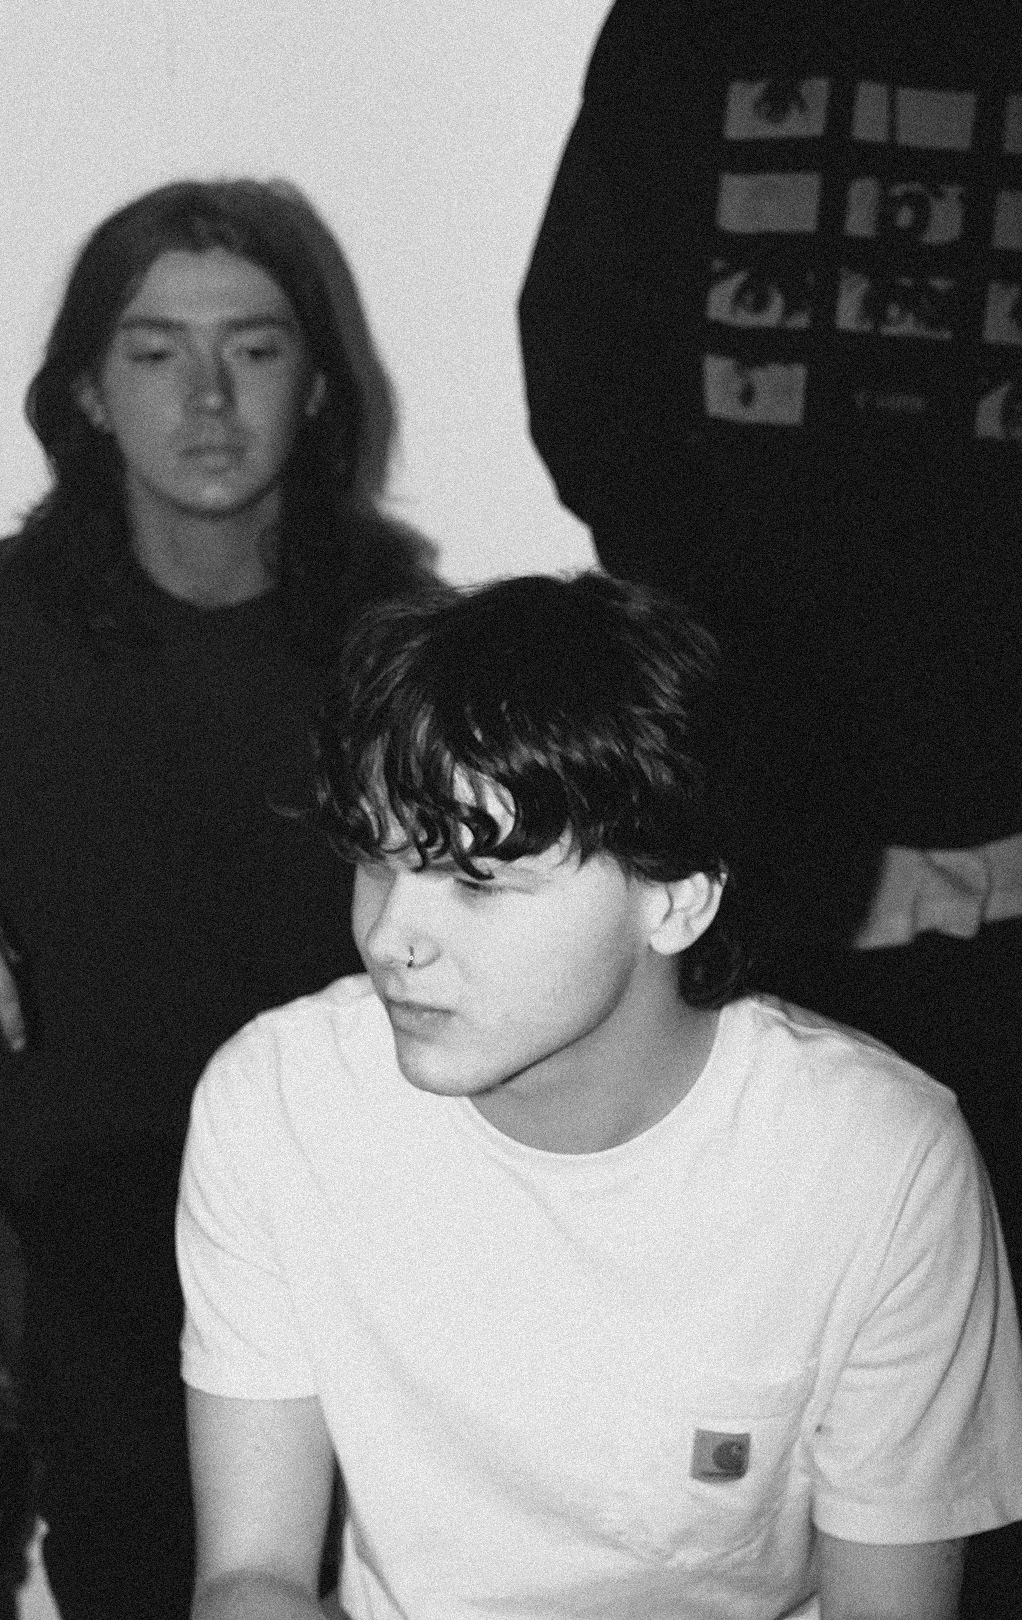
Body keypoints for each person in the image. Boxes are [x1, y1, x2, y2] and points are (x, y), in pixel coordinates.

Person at [178, 571, 1022, 1620]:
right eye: (377, 861)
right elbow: (250, 1577)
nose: (393, 936)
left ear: (675, 898)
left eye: (477, 882)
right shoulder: (278, 1100)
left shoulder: (879, 1163)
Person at [517, 9, 1022, 1605]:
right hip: (747, 837)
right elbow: (586, 366)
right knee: (737, 1366)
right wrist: (733, 710)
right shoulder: (689, 26)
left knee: (987, 1415)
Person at [0, 177, 431, 1620]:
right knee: (143, 1316)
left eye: (256, 350)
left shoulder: (406, 648)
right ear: (88, 392)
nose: (207, 399)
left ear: (320, 386)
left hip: (358, 1174)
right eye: (155, 354)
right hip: (92, 1197)